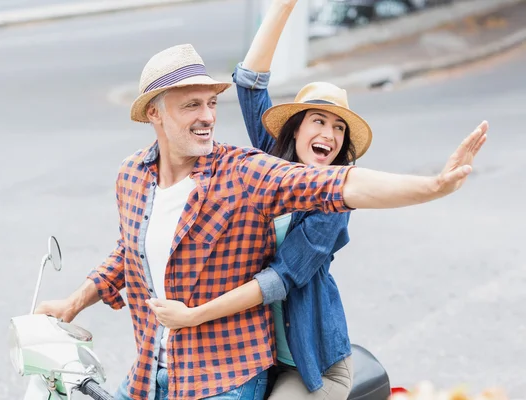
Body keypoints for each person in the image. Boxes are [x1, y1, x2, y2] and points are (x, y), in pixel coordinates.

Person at [34, 40, 488, 400]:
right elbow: (130, 252)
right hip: (152, 370)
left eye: (211, 103)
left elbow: (341, 188)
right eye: (191, 105)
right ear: (155, 112)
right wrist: (74, 301)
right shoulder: (132, 175)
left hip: (236, 373)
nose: (208, 116)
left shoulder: (246, 172)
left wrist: (432, 186)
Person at [145, 0, 366, 399]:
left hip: (311, 364)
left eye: (338, 129)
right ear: (297, 130)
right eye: (318, 121)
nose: (329, 136)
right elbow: (250, 82)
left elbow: (279, 279)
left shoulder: (334, 205)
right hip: (254, 357)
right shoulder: (273, 163)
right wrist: (284, 7)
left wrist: (193, 316)